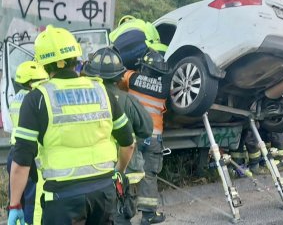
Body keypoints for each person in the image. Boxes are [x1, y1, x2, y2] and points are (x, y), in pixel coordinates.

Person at [8, 25, 135, 225]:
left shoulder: (37, 99)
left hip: (62, 199)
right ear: (76, 57)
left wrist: (15, 204)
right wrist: (118, 172)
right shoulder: (102, 91)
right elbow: (128, 143)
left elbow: (22, 161)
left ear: (43, 63)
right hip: (103, 192)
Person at [82, 47, 154, 225]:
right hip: (124, 170)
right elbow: (146, 129)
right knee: (120, 214)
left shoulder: (82, 99)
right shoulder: (127, 100)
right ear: (120, 75)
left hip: (92, 170)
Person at [118, 48, 171, 225]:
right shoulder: (165, 88)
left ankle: (124, 213)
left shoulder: (132, 78)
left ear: (144, 67)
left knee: (129, 174)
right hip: (154, 138)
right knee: (149, 175)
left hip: (133, 136)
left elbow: (118, 75)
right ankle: (148, 216)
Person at [6, 61, 48, 225]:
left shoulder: (15, 98)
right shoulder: (35, 100)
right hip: (30, 156)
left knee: (16, 200)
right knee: (32, 200)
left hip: (14, 153)